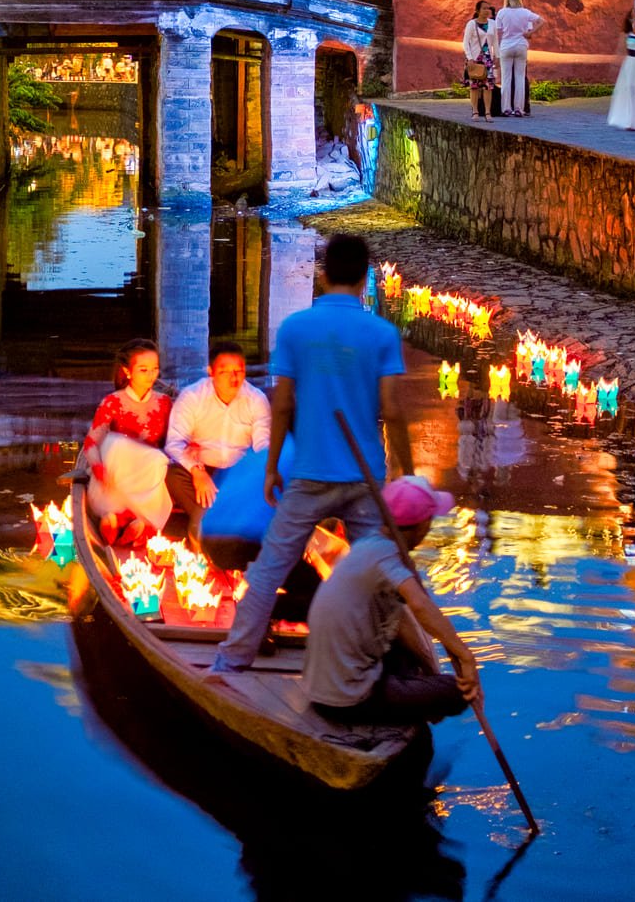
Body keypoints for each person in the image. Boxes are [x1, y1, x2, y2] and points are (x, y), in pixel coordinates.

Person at [210, 233, 413, 675]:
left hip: (310, 474)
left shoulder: (296, 329)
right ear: (364, 280)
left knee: (269, 572)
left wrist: (270, 468)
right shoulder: (382, 333)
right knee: (379, 573)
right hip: (365, 479)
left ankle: (232, 661)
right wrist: (407, 476)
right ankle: (380, 662)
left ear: (322, 276)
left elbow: (283, 404)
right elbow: (393, 412)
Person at [302, 477, 481, 725]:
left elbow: (402, 624)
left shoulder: (367, 545)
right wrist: (465, 656)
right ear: (422, 526)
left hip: (321, 687)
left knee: (412, 661)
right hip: (348, 699)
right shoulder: (386, 556)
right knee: (458, 693)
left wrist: (430, 672)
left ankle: (408, 696)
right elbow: (419, 605)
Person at [164, 341, 271, 541]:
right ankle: (216, 524)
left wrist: (250, 477)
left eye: (239, 370)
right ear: (211, 372)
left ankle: (211, 523)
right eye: (225, 372)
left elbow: (262, 446)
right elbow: (174, 443)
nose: (234, 377)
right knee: (173, 475)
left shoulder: (256, 399)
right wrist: (197, 471)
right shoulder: (193, 396)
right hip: (203, 471)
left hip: (238, 473)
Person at [79, 339, 175, 542]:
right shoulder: (113, 402)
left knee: (157, 459)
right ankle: (113, 516)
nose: (151, 376)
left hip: (146, 475)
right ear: (127, 371)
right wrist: (99, 470)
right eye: (143, 370)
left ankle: (137, 520)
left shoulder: (165, 403)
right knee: (116, 444)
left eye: (154, 369)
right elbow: (91, 443)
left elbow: (173, 441)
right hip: (116, 474)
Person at [492, 0, 542, 117]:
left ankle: (506, 108)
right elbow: (542, 21)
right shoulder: (525, 12)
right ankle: (519, 108)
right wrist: (531, 33)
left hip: (506, 46)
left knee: (506, 78)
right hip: (521, 45)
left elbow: (498, 32)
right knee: (520, 77)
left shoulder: (502, 12)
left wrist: (496, 51)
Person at [461, 0, 499, 120]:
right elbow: (465, 42)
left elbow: (495, 42)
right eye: (484, 8)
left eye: (488, 8)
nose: (487, 11)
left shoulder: (492, 24)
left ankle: (488, 112)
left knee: (488, 86)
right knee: (474, 86)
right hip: (475, 58)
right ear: (478, 11)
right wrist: (469, 58)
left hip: (488, 58)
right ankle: (475, 111)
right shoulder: (471, 24)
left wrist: (497, 56)